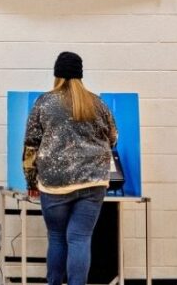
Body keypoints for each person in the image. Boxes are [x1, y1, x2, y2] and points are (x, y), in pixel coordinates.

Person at [23, 51, 119, 285]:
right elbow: (113, 137)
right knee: (80, 238)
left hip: (54, 183)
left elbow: (31, 145)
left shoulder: (44, 103)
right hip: (93, 181)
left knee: (57, 238)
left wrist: (31, 180)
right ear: (80, 74)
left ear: (57, 74)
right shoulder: (97, 103)